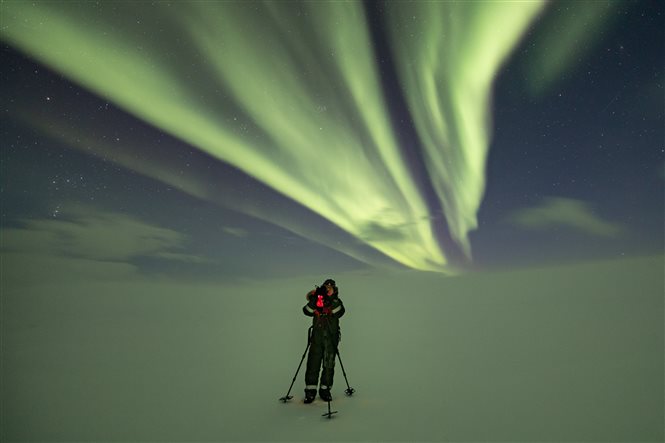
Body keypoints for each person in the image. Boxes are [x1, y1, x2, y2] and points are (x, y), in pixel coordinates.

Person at [302, 278, 345, 403]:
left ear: (334, 289)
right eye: (326, 286)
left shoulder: (336, 301)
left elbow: (340, 312)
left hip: (331, 338)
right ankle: (310, 391)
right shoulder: (316, 300)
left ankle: (325, 390)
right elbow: (307, 311)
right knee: (313, 363)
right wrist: (315, 298)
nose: (328, 289)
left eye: (330, 287)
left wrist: (330, 299)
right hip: (317, 337)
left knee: (329, 364)